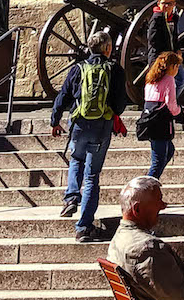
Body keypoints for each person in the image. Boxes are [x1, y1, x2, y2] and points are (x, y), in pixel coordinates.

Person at [50, 28, 128, 242]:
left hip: (78, 124)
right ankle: (83, 227)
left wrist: (54, 121)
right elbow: (120, 104)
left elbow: (63, 95)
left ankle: (72, 197)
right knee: (92, 176)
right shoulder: (115, 70)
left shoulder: (78, 68)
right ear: (108, 48)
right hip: (101, 126)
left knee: (76, 159)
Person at [141, 50, 183, 180]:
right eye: (177, 67)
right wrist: (179, 111)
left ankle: (152, 181)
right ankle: (147, 186)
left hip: (149, 119)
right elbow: (170, 103)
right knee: (158, 161)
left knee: (169, 150)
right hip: (161, 122)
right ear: (173, 66)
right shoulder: (169, 80)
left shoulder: (151, 79)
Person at [145, 0, 184, 99]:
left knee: (183, 79)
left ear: (174, 4)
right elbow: (153, 40)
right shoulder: (156, 19)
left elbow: (174, 37)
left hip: (172, 57)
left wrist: (177, 49)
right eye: (164, 3)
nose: (166, 6)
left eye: (169, 4)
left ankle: (170, 101)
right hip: (160, 59)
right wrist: (164, 57)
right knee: (161, 84)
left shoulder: (174, 18)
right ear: (158, 3)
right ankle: (165, 104)